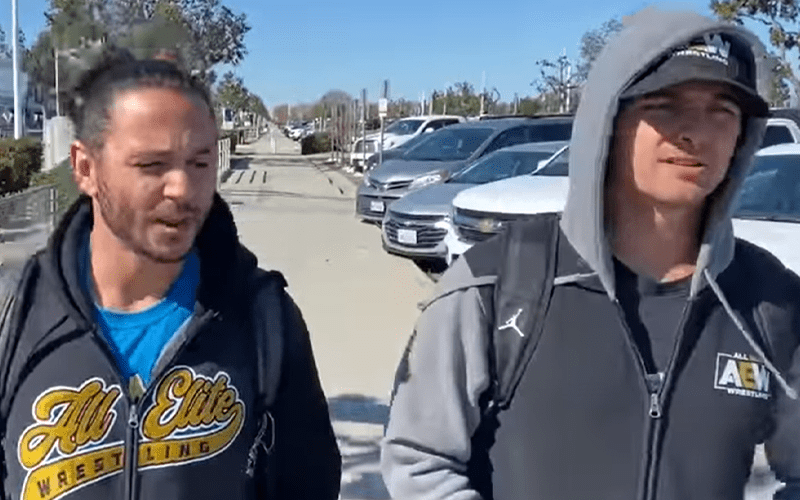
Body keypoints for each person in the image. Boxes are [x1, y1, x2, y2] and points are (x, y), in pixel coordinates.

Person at [381, 6, 800, 500]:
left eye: (722, 111)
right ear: (609, 121)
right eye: (664, 106)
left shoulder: (772, 302)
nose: (696, 132)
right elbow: (420, 461)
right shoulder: (498, 284)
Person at [0, 47, 341, 499]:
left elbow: (307, 484)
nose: (182, 188)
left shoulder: (265, 318)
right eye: (152, 165)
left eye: (200, 163)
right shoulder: (13, 315)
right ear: (85, 168)